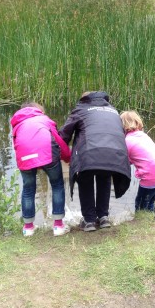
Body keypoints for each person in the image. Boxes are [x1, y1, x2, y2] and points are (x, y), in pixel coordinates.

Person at [59, 91, 131, 232]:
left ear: (84, 100)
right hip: (114, 154)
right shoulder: (113, 110)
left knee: (85, 180)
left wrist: (60, 150)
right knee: (104, 178)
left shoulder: (81, 109)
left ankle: (89, 221)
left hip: (89, 153)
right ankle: (103, 218)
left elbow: (64, 135)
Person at [10, 102, 71, 237]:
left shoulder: (17, 125)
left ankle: (28, 228)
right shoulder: (45, 120)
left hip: (24, 156)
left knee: (28, 189)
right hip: (47, 152)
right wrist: (68, 157)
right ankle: (58, 226)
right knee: (57, 185)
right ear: (38, 110)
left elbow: (16, 147)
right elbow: (59, 141)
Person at [120, 110, 155, 212]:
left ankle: (143, 216)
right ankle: (150, 211)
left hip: (152, 177)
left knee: (140, 206)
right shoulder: (142, 135)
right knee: (149, 201)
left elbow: (124, 162)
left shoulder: (127, 142)